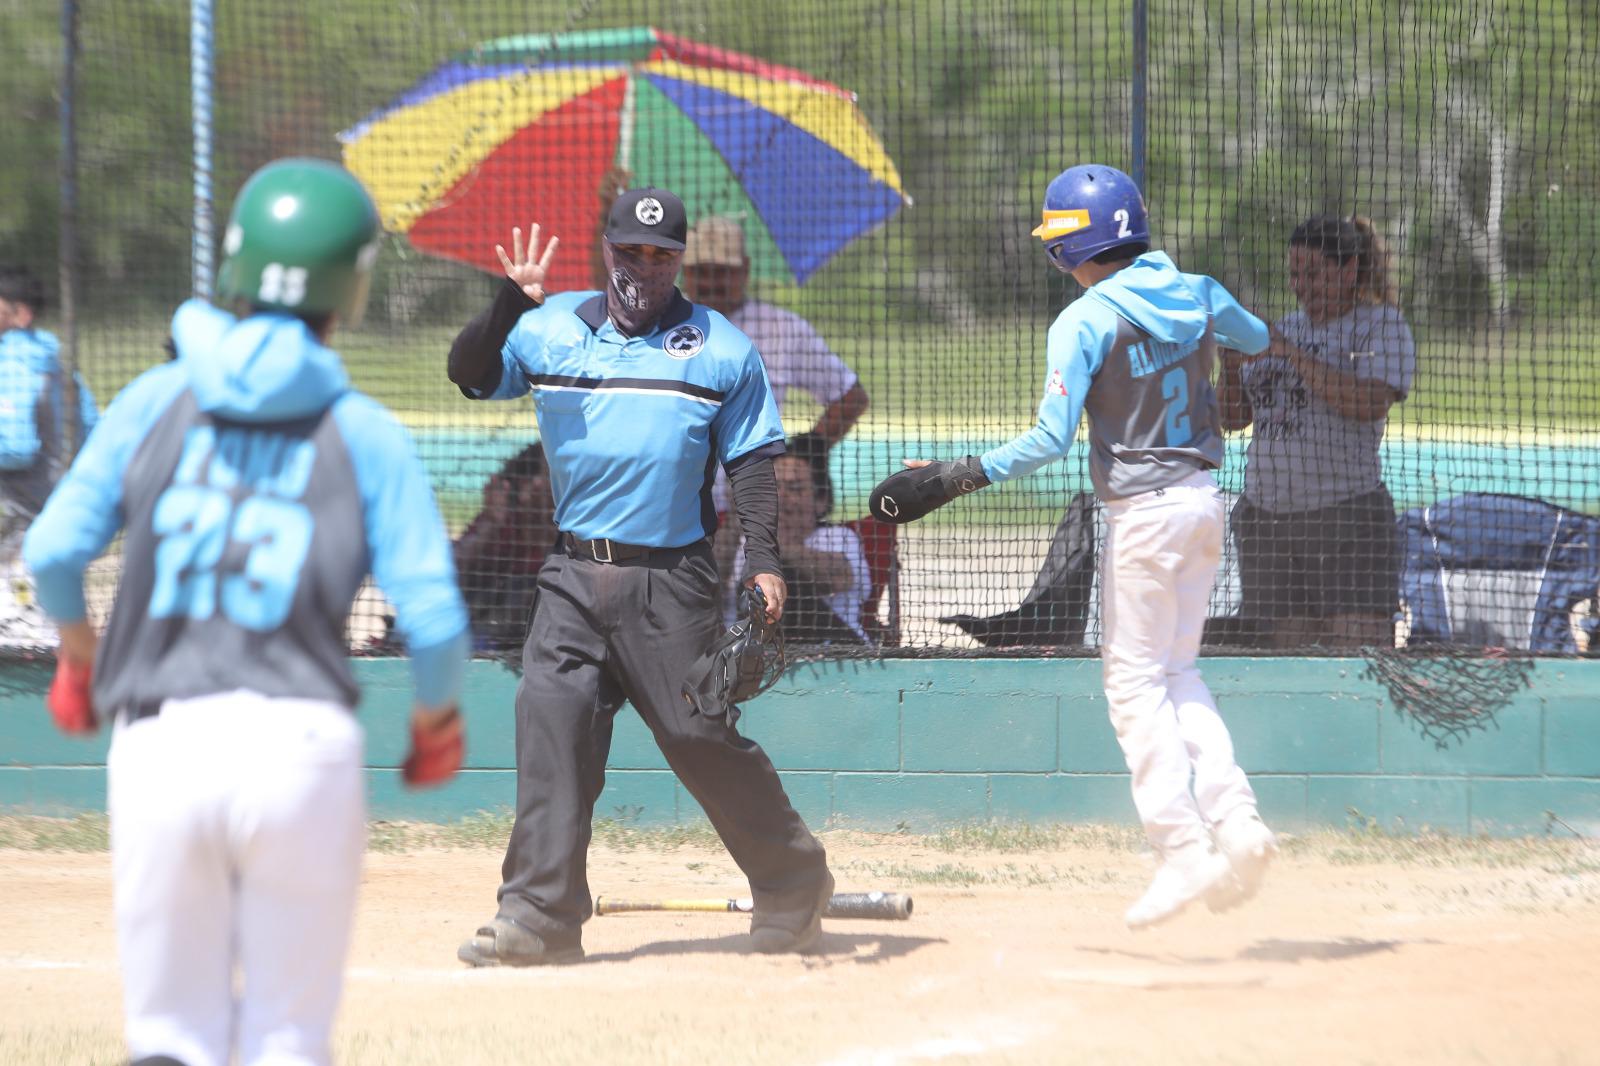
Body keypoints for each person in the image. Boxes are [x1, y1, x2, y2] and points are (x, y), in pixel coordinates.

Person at [22, 157, 470, 1066]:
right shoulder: (365, 430)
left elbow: (55, 550)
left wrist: (80, 657)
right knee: (285, 1042)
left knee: (169, 1039)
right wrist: (435, 722)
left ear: (234, 264)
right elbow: (436, 621)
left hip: (162, 744)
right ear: (351, 288)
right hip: (301, 750)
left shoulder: (157, 398)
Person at [871, 164, 1276, 930]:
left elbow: (1050, 440)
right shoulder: (1198, 291)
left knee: (1133, 686)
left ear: (1070, 246)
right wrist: (1219, 364)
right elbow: (1256, 339)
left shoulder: (1084, 320)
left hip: (1143, 516)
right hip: (1204, 503)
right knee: (1178, 672)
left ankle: (1184, 850)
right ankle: (1238, 820)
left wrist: (958, 476)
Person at [445, 186, 834, 965]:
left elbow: (753, 463)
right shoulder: (550, 328)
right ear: (607, 251)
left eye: (661, 255)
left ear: (679, 260)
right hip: (572, 574)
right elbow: (469, 372)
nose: (644, 268)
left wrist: (764, 562)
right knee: (551, 723)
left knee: (697, 735)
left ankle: (795, 884)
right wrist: (508, 303)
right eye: (631, 252)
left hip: (670, 582)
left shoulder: (721, 347)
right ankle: (539, 915)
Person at [1217, 215, 1416, 649]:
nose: (1300, 285)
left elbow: (1368, 403)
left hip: (1347, 521)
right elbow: (1231, 420)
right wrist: (1229, 368)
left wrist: (1290, 354)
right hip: (1269, 523)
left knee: (1357, 661)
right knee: (1288, 663)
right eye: (1294, 274)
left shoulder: (1380, 325)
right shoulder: (1285, 327)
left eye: (1313, 273)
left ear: (1349, 270)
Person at [683, 216, 869, 445]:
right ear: (684, 270)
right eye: (700, 271)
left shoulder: (781, 327)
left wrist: (806, 452)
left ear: (745, 269)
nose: (710, 283)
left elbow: (851, 398)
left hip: (751, 467)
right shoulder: (662, 321)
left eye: (722, 271)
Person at [0, 265, 99, 644]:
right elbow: (92, 426)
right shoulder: (54, 357)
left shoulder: (13, 363)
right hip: (62, 512)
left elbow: (17, 448)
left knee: (22, 638)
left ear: (20, 314)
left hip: (25, 518)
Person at [729, 439, 873, 645]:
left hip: (838, 649)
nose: (781, 496)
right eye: (773, 487)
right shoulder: (744, 539)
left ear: (821, 500)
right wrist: (738, 517)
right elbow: (708, 588)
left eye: (795, 488)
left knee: (779, 577)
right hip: (758, 650)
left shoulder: (837, 536)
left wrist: (769, 545)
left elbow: (839, 577)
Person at [454, 442, 557, 652]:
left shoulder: (569, 522)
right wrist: (490, 524)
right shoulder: (504, 520)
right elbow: (452, 568)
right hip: (489, 630)